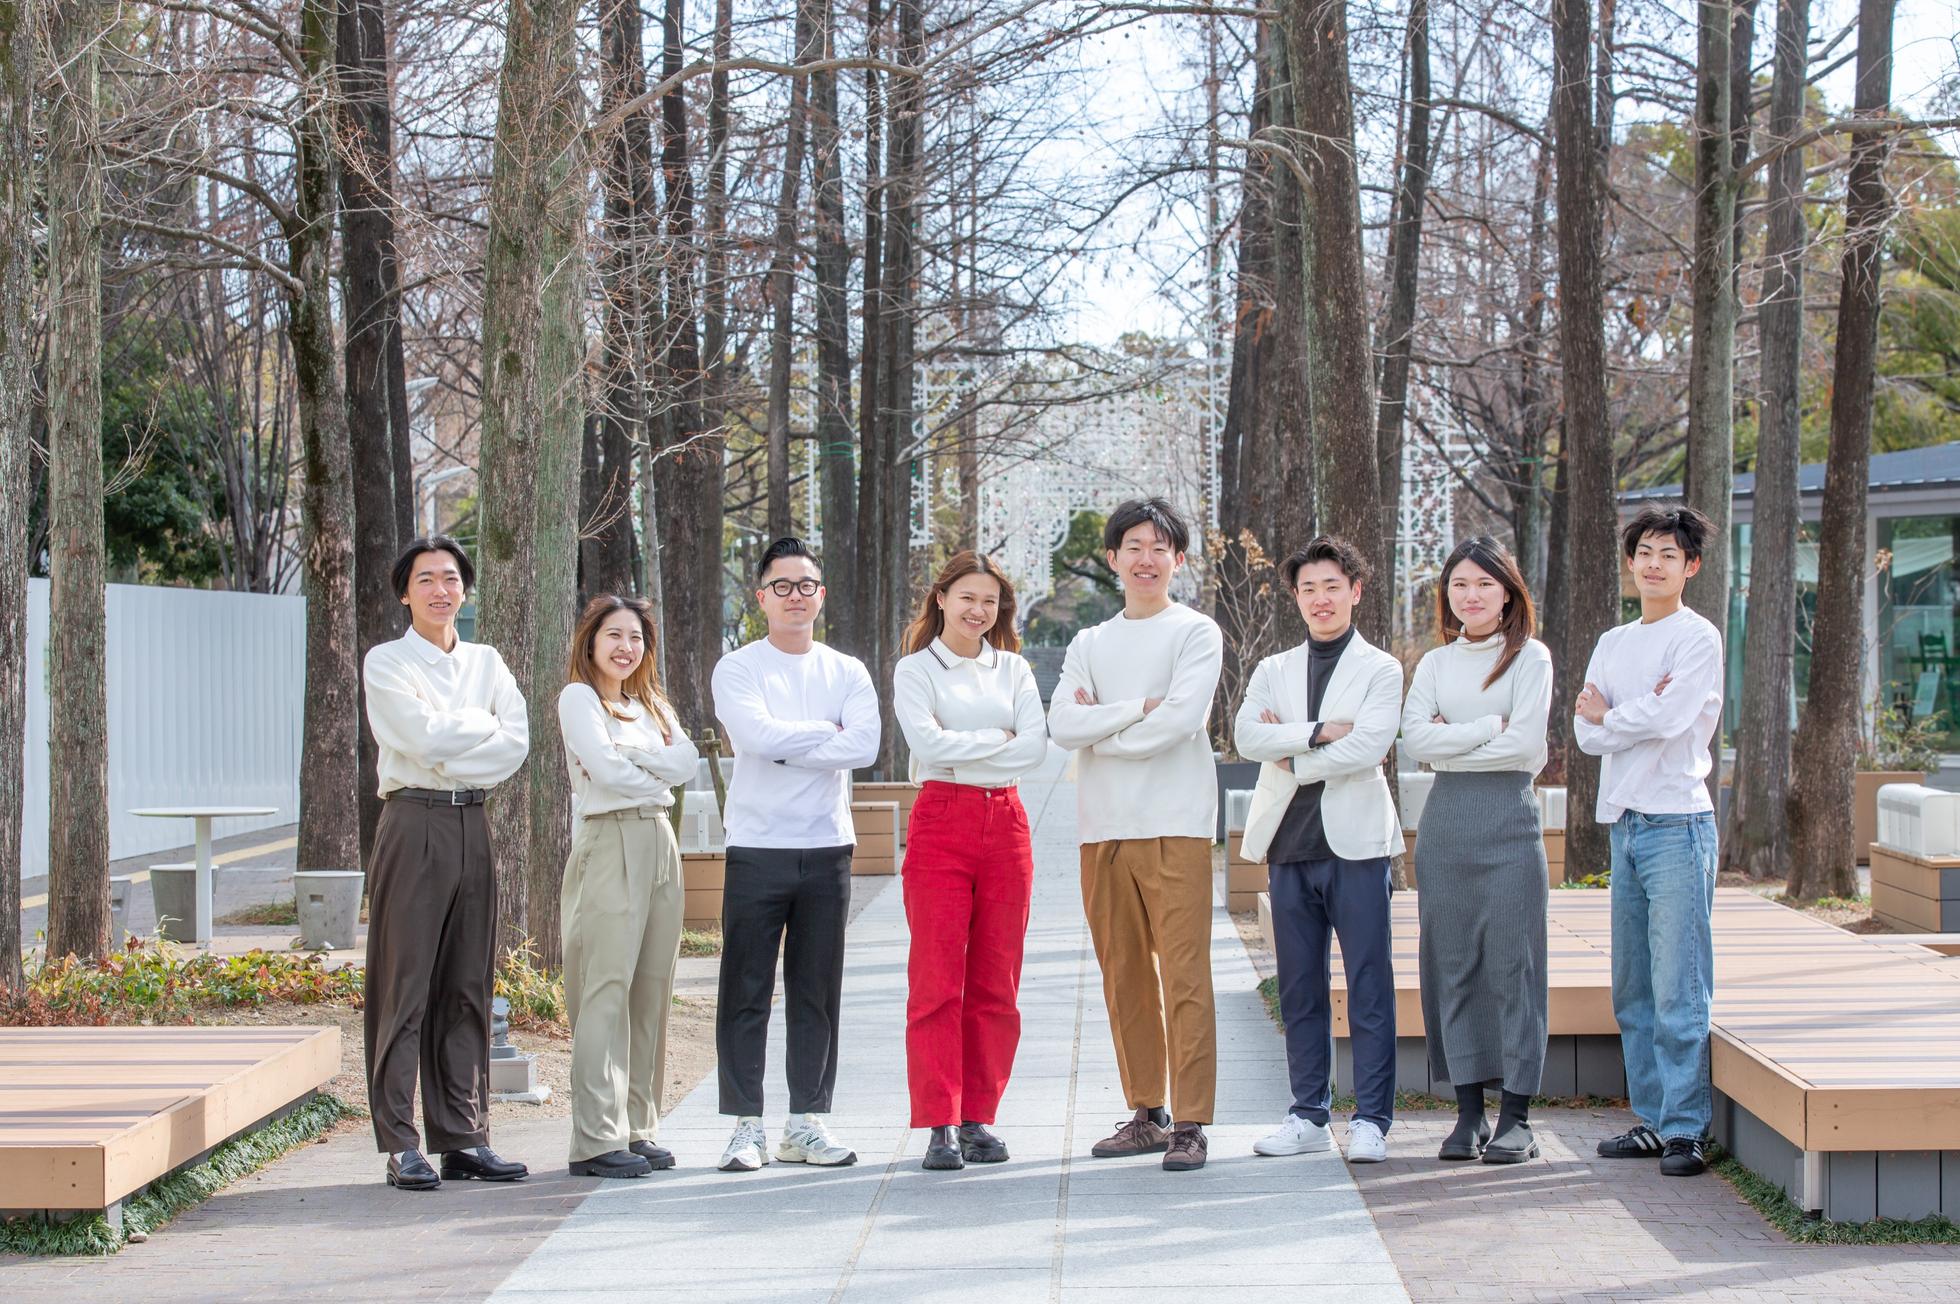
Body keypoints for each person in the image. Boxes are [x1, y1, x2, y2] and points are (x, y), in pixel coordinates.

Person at [1048, 498, 1222, 1172]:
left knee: (1185, 975)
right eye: (1133, 547)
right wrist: (1133, 711)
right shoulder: (1089, 642)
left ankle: (1192, 1121)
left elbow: (1180, 721)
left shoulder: (1196, 632)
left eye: (1159, 547)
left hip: (1175, 824)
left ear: (1177, 559)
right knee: (1123, 976)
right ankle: (1147, 1113)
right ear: (1113, 558)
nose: (1146, 559)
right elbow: (1062, 724)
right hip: (1103, 829)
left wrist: (1105, 731)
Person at [361, 535, 531, 1191]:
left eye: (451, 578)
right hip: (414, 820)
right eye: (426, 579)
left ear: (465, 589)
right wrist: (476, 727)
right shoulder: (387, 661)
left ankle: (464, 1136)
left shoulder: (488, 661)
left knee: (467, 984)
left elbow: (514, 743)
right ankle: (400, 1143)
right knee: (404, 986)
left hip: (472, 822)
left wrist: (451, 736)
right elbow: (417, 737)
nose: (441, 589)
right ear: (405, 593)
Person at [1233, 536, 1406, 1164]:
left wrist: (1292, 754)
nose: (1320, 598)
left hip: (1357, 847)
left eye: (1332, 586)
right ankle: (1307, 1112)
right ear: (1296, 597)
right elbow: (1246, 736)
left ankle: (1373, 1120)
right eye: (1308, 588)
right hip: (1289, 844)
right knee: (1300, 987)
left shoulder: (1381, 669)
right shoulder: (1273, 669)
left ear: (1355, 591)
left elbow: (1369, 747)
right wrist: (1318, 732)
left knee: (1368, 984)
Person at [710, 537, 880, 1172]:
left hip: (827, 846)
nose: (795, 596)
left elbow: (865, 746)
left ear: (821, 595)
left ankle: (806, 1122)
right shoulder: (738, 667)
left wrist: (787, 746)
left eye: (806, 585)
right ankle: (745, 1127)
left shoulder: (847, 670)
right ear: (761, 597)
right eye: (781, 586)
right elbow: (754, 736)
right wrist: (823, 735)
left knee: (816, 991)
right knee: (745, 988)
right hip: (757, 846)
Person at [1576, 503, 1724, 1178]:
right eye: (1645, 553)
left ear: (1691, 566)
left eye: (1669, 554)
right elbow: (1585, 733)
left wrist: (1616, 715)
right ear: (1631, 562)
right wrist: (1622, 717)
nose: (1654, 564)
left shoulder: (1697, 638)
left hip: (1678, 824)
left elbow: (1670, 719)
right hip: (1626, 824)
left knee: (1678, 984)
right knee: (1633, 985)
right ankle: (1654, 1119)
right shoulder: (1613, 642)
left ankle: (1687, 1129)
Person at [892, 552, 1049, 1171]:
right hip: (942, 819)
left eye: (989, 601)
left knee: (997, 980)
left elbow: (1034, 748)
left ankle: (978, 1116)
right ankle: (940, 1123)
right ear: (941, 599)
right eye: (966, 598)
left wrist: (969, 749)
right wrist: (996, 741)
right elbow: (926, 745)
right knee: (936, 979)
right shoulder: (916, 670)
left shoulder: (1012, 668)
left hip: (1007, 824)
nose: (978, 610)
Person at [1399, 537, 1554, 1164]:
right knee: (1452, 962)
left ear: (1508, 593)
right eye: (1460, 584)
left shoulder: (1530, 657)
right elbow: (1416, 742)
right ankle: (1469, 1114)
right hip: (1445, 827)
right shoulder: (1436, 663)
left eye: (1485, 584)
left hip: (1510, 820)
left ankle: (1517, 1117)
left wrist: (1453, 742)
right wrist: (1489, 727)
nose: (1471, 595)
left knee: (1516, 965)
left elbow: (1525, 748)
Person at [556, 595, 700, 1179]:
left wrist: (636, 757)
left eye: (636, 637)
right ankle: (596, 1137)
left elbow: (686, 763)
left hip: (659, 838)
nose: (625, 647)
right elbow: (606, 771)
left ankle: (638, 1125)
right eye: (614, 635)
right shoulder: (579, 698)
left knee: (652, 988)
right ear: (591, 641)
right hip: (609, 838)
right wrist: (653, 769)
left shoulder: (651, 703)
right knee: (605, 986)